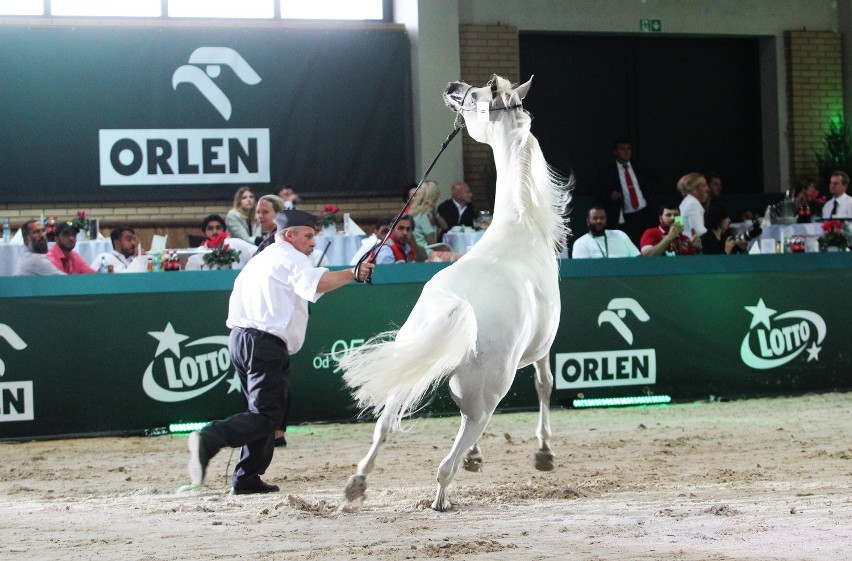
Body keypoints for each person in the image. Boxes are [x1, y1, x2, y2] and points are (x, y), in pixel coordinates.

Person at [185, 209, 374, 494]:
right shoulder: (290, 257)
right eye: (308, 236)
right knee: (266, 416)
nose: (313, 243)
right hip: (265, 344)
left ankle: (247, 478)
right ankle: (210, 438)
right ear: (290, 235)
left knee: (262, 412)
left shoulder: (263, 257)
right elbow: (316, 284)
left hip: (240, 340)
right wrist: (353, 273)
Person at [591, 139, 657, 245]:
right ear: (615, 152)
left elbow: (654, 182)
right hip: (625, 218)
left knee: (649, 245)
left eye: (628, 149)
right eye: (622, 149)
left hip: (645, 213)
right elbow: (596, 191)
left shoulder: (640, 167)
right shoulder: (607, 172)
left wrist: (649, 194)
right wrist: (609, 195)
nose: (626, 152)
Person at [185, 214, 255, 271]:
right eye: (210, 228)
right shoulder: (196, 255)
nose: (215, 232)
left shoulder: (237, 244)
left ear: (224, 232)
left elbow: (259, 253)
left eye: (218, 228)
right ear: (204, 233)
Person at [571, 207, 640, 258]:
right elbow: (582, 270)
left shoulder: (620, 235)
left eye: (602, 218)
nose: (599, 221)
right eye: (595, 218)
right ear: (588, 221)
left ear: (606, 220)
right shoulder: (581, 243)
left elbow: (637, 258)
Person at [409, 180, 448, 259]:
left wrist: (435, 212)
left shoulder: (422, 213)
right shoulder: (423, 216)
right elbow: (432, 244)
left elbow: (445, 226)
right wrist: (448, 249)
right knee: (460, 256)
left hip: (422, 252)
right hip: (428, 254)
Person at [677, 172, 710, 239]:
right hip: (693, 247)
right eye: (703, 186)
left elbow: (679, 228)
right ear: (694, 189)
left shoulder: (683, 203)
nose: (707, 189)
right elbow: (699, 231)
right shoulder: (693, 204)